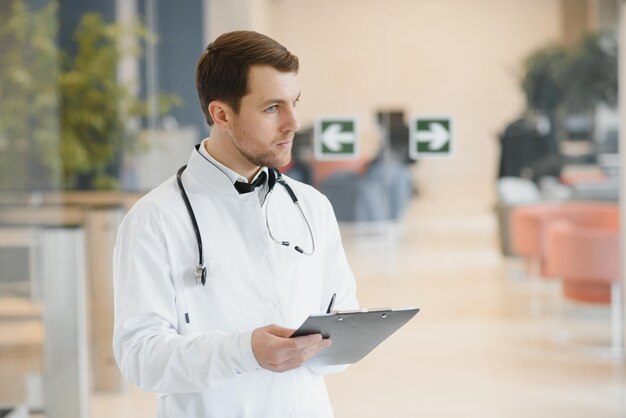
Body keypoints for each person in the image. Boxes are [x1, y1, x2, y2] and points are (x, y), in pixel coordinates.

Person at [112, 30, 359, 417]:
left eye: (294, 103)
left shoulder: (312, 207)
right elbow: (140, 357)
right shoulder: (154, 219)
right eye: (272, 108)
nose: (294, 123)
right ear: (221, 114)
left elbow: (342, 327)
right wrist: (245, 351)